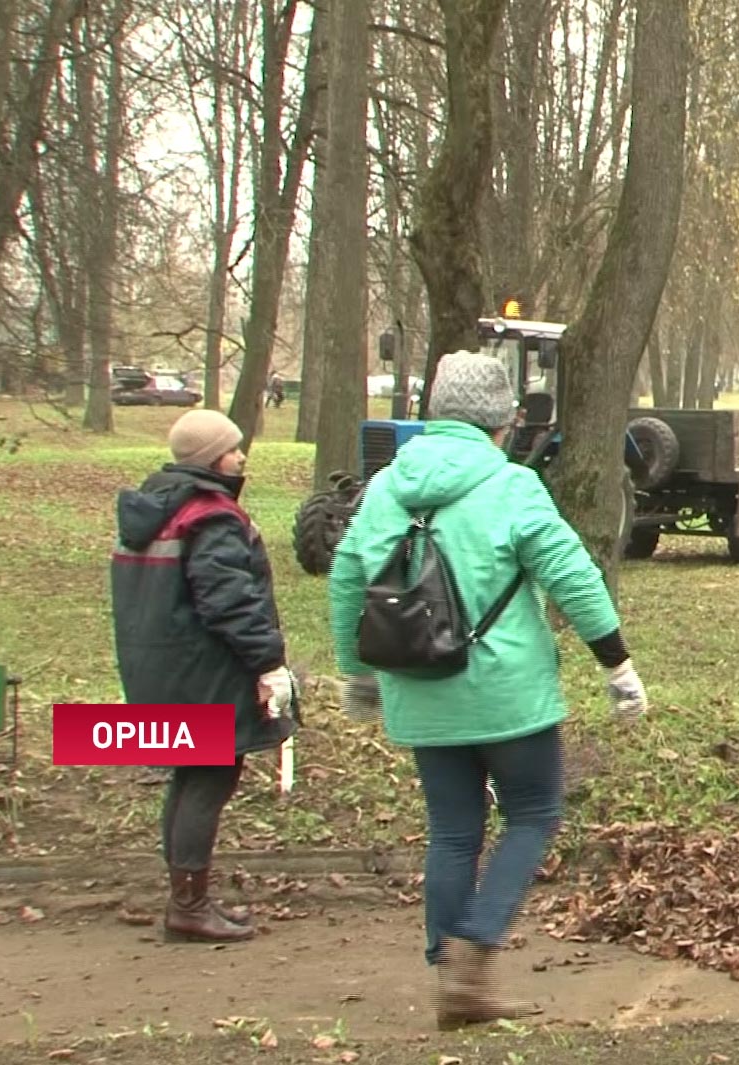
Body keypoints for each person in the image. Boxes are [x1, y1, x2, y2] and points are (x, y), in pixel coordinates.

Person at [327, 351, 650, 1028]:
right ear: (503, 422)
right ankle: (475, 942)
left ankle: (449, 970)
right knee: (532, 813)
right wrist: (616, 666)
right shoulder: (513, 487)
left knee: (451, 830)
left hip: (419, 688)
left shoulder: (386, 486)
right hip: (509, 692)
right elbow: (575, 578)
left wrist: (357, 671)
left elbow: (347, 579)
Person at [111, 409, 297, 944]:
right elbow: (230, 601)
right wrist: (267, 661)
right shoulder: (211, 517)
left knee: (188, 776)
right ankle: (189, 907)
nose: (241, 457)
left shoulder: (153, 510)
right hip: (204, 673)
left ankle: (184, 896)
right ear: (212, 459)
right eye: (234, 449)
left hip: (157, 669)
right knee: (211, 776)